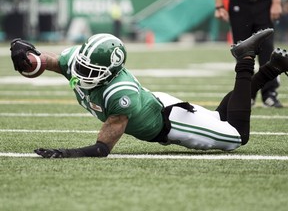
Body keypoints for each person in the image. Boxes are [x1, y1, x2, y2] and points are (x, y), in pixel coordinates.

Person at [10, 29, 288, 158]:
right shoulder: (77, 59)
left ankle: (246, 59)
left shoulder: (119, 94)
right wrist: (27, 55)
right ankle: (273, 67)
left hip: (171, 122)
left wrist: (66, 154)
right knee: (220, 117)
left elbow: (101, 148)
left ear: (110, 71)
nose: (81, 73)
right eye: (81, 65)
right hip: (158, 104)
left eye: (91, 69)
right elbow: (47, 61)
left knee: (237, 136)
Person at [215, 0, 283, 108]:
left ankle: (269, 94)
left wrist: (276, 2)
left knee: (267, 49)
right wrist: (219, 6)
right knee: (243, 51)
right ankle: (247, 95)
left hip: (263, 2)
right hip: (239, 1)